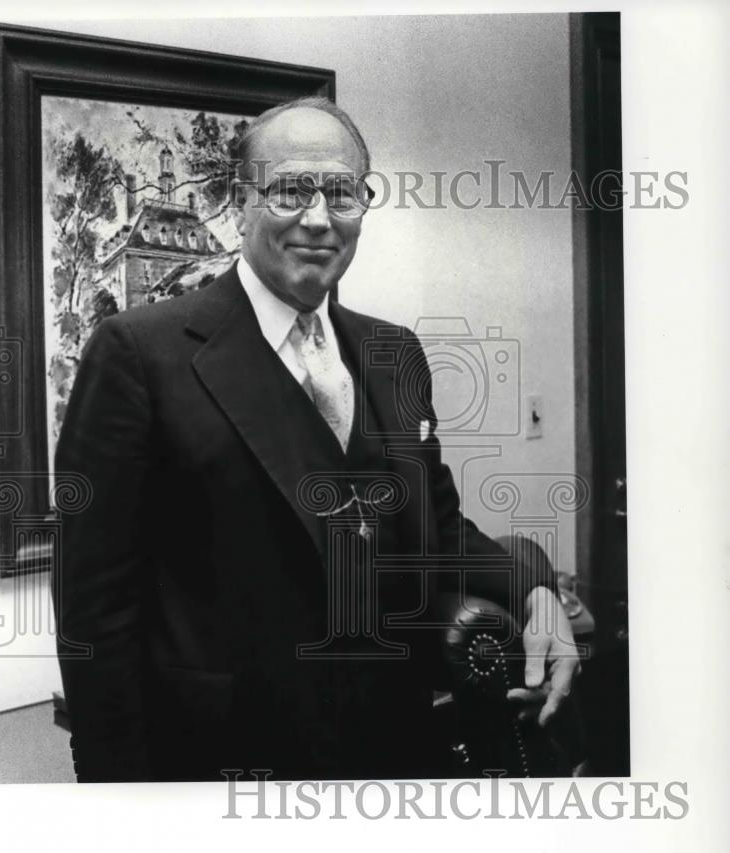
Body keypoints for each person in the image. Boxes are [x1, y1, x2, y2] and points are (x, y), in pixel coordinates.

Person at [54, 97, 579, 782]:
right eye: (290, 190)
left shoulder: (394, 353)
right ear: (239, 205)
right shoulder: (139, 353)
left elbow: (437, 529)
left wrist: (533, 587)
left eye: (341, 193)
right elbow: (96, 603)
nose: (318, 217)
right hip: (221, 763)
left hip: (392, 746)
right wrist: (114, 789)